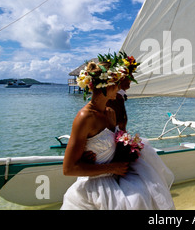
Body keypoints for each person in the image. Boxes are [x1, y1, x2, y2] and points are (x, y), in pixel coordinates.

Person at [61, 52, 175, 210]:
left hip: (115, 177)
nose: (120, 88)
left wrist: (126, 152)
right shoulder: (84, 117)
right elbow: (68, 169)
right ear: (108, 87)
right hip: (97, 186)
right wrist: (111, 167)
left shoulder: (110, 113)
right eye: (118, 84)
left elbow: (113, 143)